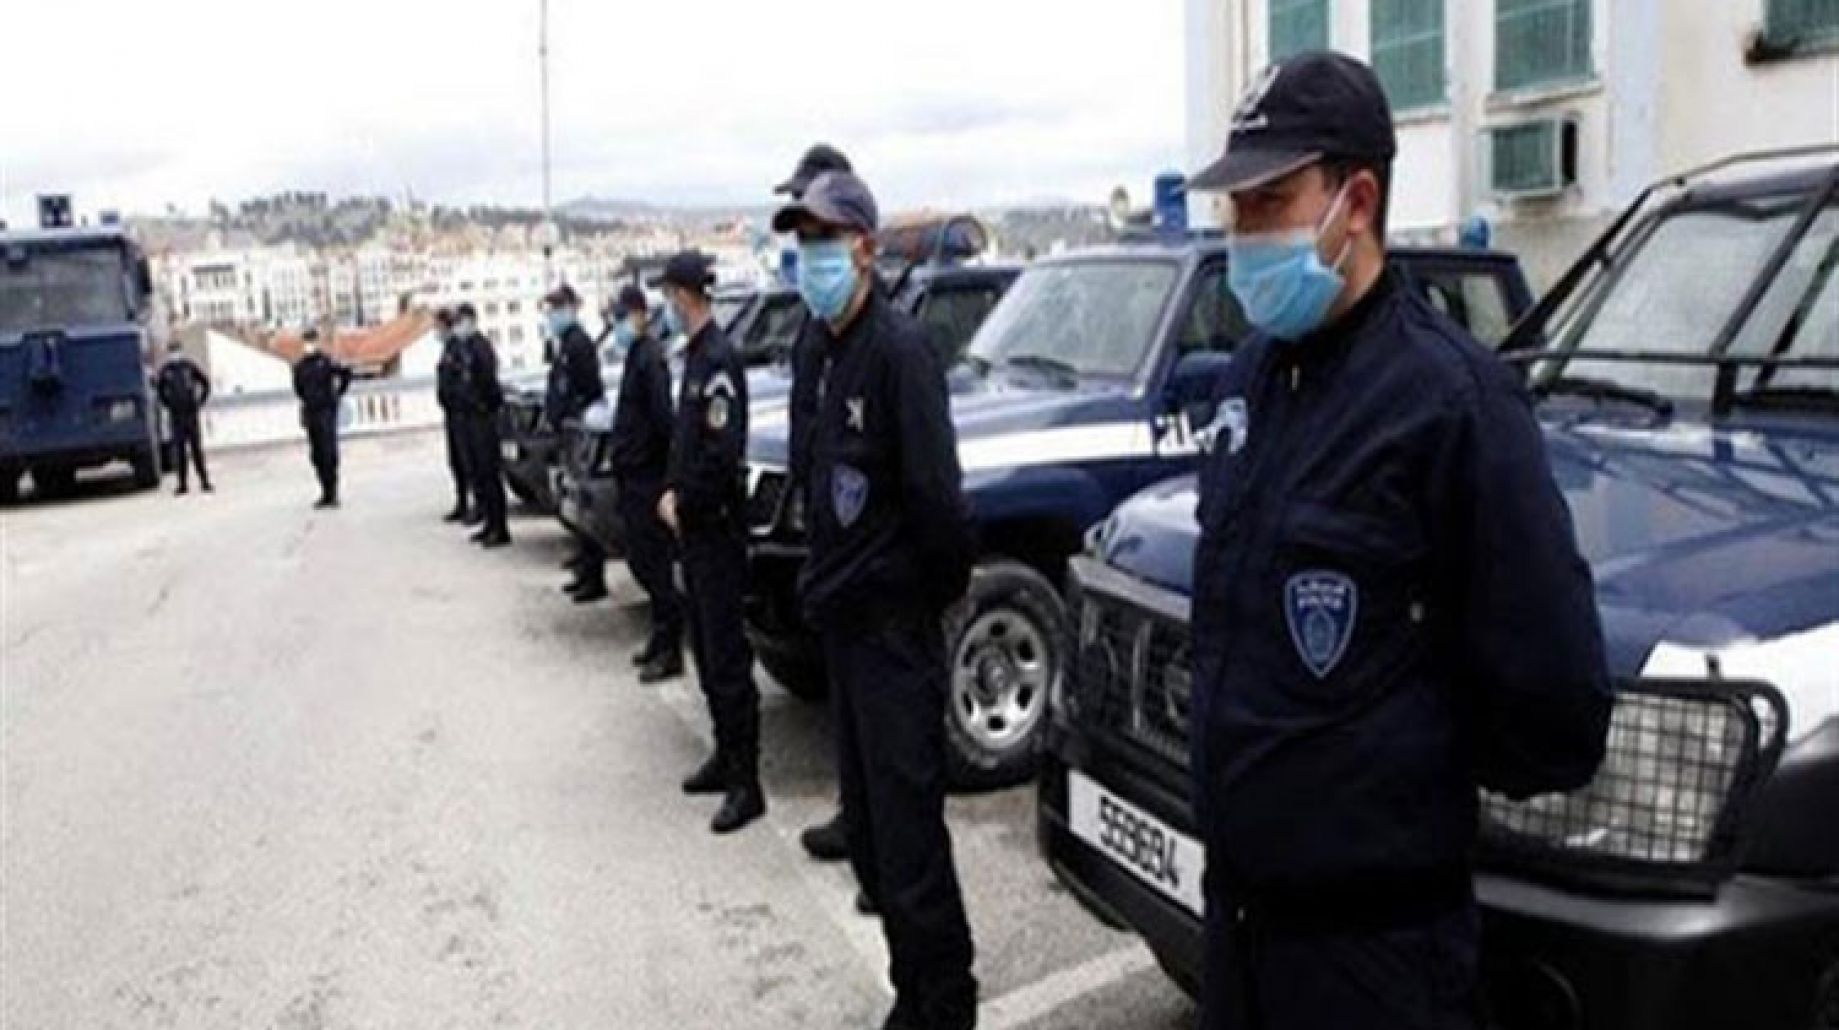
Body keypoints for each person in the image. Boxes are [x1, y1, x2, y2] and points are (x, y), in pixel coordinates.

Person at [1184, 52, 1612, 1030]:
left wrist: (1403, 771)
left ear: (1358, 202)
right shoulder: (1252, 381)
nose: (1243, 232)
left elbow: (1557, 707)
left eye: (1269, 201)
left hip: (1375, 960)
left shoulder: (1452, 402)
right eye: (1235, 207)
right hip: (1240, 930)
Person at [773, 171, 978, 1030]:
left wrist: (914, 606)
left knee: (909, 843)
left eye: (824, 239)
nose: (810, 256)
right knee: (868, 840)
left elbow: (938, 507)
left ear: (863, 246)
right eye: (801, 241)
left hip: (894, 636)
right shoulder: (818, 350)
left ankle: (945, 1005)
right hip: (845, 635)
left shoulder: (899, 351)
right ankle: (910, 993)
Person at [653, 250, 764, 835]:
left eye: (670, 294)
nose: (666, 305)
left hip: (716, 530)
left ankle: (747, 782)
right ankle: (724, 755)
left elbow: (721, 453)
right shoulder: (695, 357)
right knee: (704, 648)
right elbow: (687, 443)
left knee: (726, 658)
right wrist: (672, 490)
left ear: (685, 294)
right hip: (694, 532)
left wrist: (684, 500)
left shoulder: (718, 359)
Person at [776, 142, 863, 867]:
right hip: (826, 531)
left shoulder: (875, 339)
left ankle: (878, 844)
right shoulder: (817, 323)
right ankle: (855, 818)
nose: (807, 250)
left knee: (880, 720)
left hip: (866, 556)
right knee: (846, 702)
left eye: (817, 231)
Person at [606, 285, 684, 683]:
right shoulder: (636, 355)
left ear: (640, 315)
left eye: (622, 317)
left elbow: (662, 420)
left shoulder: (650, 357)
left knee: (654, 564)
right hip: (632, 475)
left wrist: (665, 480)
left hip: (647, 477)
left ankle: (670, 647)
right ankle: (660, 635)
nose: (617, 325)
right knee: (640, 560)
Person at [544, 285, 610, 596]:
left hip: (579, 431)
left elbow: (588, 389)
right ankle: (584, 565)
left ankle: (594, 576)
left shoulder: (580, 344)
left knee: (584, 505)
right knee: (573, 503)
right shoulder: (565, 343)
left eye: (557, 308)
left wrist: (577, 417)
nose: (552, 315)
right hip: (568, 431)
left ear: (571, 308)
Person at [455, 304, 511, 548]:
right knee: (478, 471)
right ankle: (489, 522)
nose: (458, 327)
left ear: (470, 320)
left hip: (484, 416)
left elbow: (488, 381)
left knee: (489, 473)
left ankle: (499, 527)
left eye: (460, 321)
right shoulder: (467, 347)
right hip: (471, 416)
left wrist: (481, 404)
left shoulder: (481, 346)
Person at [292, 328, 352, 509]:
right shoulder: (300, 366)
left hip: (326, 411)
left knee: (329, 452)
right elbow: (298, 389)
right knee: (316, 454)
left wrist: (337, 394)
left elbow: (345, 374)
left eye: (311, 341)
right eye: (306, 341)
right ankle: (324, 491)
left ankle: (332, 492)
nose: (309, 345)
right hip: (311, 412)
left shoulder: (326, 362)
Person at [434, 307, 477, 525]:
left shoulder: (459, 348)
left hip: (462, 413)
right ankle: (461, 502)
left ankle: (474, 504)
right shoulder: (448, 349)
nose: (436, 331)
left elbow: (466, 380)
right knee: (456, 460)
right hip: (452, 413)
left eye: (438, 326)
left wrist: (460, 401)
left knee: (467, 461)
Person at [154, 338, 213, 495]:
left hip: (191, 414)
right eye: (172, 351)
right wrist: (168, 404)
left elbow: (205, 382)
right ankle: (182, 484)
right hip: (176, 416)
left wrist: (200, 401)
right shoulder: (166, 371)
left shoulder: (189, 366)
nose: (175, 354)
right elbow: (159, 390)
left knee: (196, 449)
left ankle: (204, 481)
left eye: (177, 350)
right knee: (179, 451)